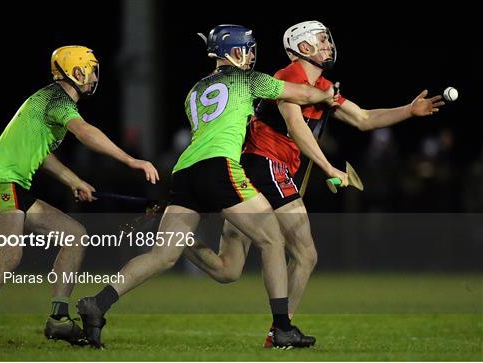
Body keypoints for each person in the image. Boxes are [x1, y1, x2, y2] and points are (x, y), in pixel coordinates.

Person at [77, 24, 344, 349]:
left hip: (185, 171)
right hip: (221, 167)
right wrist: (327, 95)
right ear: (235, 52)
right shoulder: (248, 79)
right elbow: (301, 94)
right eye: (247, 49)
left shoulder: (194, 91)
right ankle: (283, 327)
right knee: (272, 238)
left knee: (163, 255)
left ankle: (98, 303)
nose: (250, 56)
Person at [183, 20, 445, 348]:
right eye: (320, 39)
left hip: (254, 169)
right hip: (266, 165)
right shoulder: (289, 76)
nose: (327, 44)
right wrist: (328, 167)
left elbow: (363, 119)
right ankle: (281, 329)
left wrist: (409, 110)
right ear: (302, 47)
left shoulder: (320, 85)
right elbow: (295, 127)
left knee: (228, 269)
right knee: (305, 253)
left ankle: (180, 240)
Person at [0, 46, 159, 348]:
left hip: (16, 185)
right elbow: (85, 133)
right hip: (0, 181)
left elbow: (42, 155)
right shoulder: (57, 99)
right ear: (76, 72)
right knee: (9, 255)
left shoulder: (49, 101)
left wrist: (74, 181)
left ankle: (58, 319)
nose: (95, 75)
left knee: (75, 235)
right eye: (92, 69)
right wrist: (131, 160)